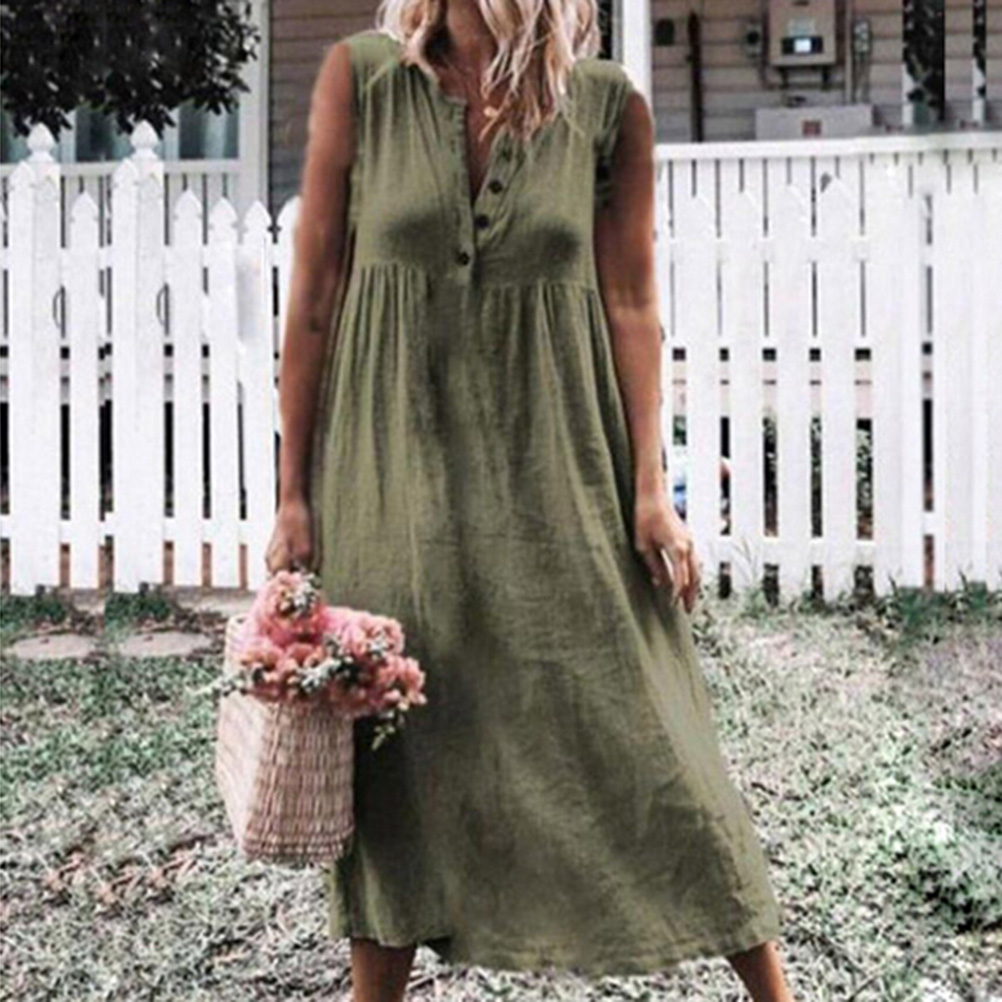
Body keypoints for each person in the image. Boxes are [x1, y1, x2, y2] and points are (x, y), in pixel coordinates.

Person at [266, 1, 798, 1000]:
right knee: (401, 757)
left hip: (562, 472)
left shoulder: (605, 106)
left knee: (649, 735)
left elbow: (632, 303)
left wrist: (651, 489)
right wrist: (292, 495)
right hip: (393, 476)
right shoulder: (362, 80)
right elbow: (317, 301)